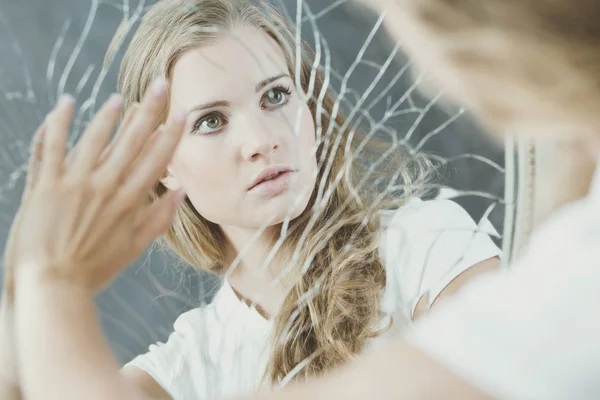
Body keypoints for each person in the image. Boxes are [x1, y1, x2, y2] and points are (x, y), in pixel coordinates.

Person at [0, 0, 500, 399]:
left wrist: (51, 284)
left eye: (276, 96)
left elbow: (506, 375)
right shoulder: (185, 370)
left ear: (311, 108)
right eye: (211, 121)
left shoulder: (427, 242)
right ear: (164, 166)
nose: (262, 138)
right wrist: (27, 281)